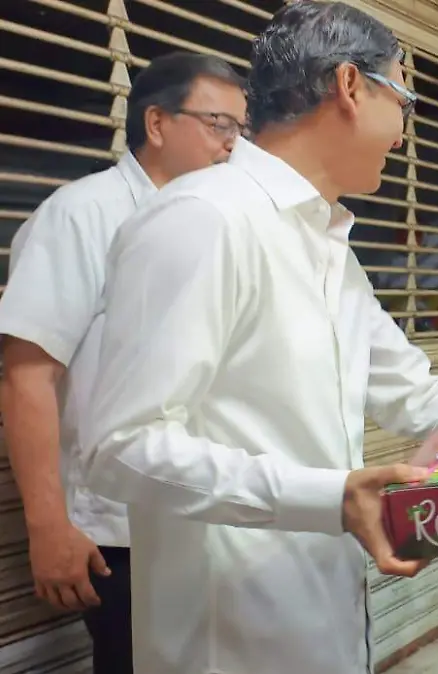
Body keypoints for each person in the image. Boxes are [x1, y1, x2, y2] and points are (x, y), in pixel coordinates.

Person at [78, 4, 438, 673]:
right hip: (224, 644)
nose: (405, 133)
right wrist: (330, 498)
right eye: (404, 98)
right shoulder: (203, 220)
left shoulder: (324, 245)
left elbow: (416, 399)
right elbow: (119, 449)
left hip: (322, 624)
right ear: (351, 86)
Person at [0, 52, 246, 674]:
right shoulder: (84, 214)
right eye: (219, 124)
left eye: (240, 130)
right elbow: (26, 374)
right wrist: (49, 526)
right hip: (120, 530)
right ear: (157, 124)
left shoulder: (220, 223)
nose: (232, 146)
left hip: (207, 510)